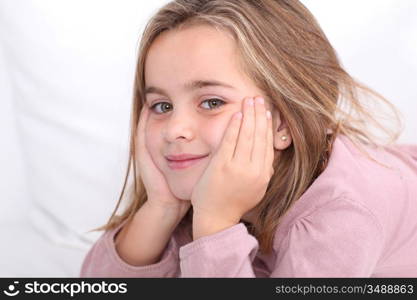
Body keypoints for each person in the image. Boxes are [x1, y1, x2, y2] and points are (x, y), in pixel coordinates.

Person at [79, 0, 417, 277]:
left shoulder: (341, 218)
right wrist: (163, 207)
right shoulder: (205, 187)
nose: (174, 129)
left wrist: (214, 224)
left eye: (212, 102)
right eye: (162, 106)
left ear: (283, 123)